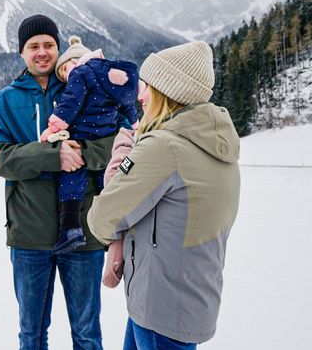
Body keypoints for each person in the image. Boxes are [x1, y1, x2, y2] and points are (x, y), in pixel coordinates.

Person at [87, 41, 240, 349]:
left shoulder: (164, 147)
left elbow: (102, 219)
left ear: (167, 93)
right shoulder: (217, 140)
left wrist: (124, 149)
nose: (140, 95)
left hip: (161, 309)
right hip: (189, 299)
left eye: (147, 87)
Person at [0, 15, 115, 350]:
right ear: (21, 53)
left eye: (49, 45)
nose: (42, 52)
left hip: (83, 232)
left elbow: (117, 141)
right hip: (29, 233)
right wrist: (51, 155)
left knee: (87, 333)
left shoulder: (86, 88)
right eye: (33, 46)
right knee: (32, 334)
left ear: (58, 48)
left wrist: (81, 151)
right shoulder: (5, 101)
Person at [39, 35, 139, 254]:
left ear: (75, 60)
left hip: (81, 137)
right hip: (105, 138)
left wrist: (53, 128)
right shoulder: (109, 77)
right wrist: (137, 124)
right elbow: (127, 103)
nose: (66, 77)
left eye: (64, 69)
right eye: (62, 75)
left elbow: (69, 106)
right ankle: (114, 231)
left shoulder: (80, 73)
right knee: (108, 184)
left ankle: (71, 229)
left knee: (72, 180)